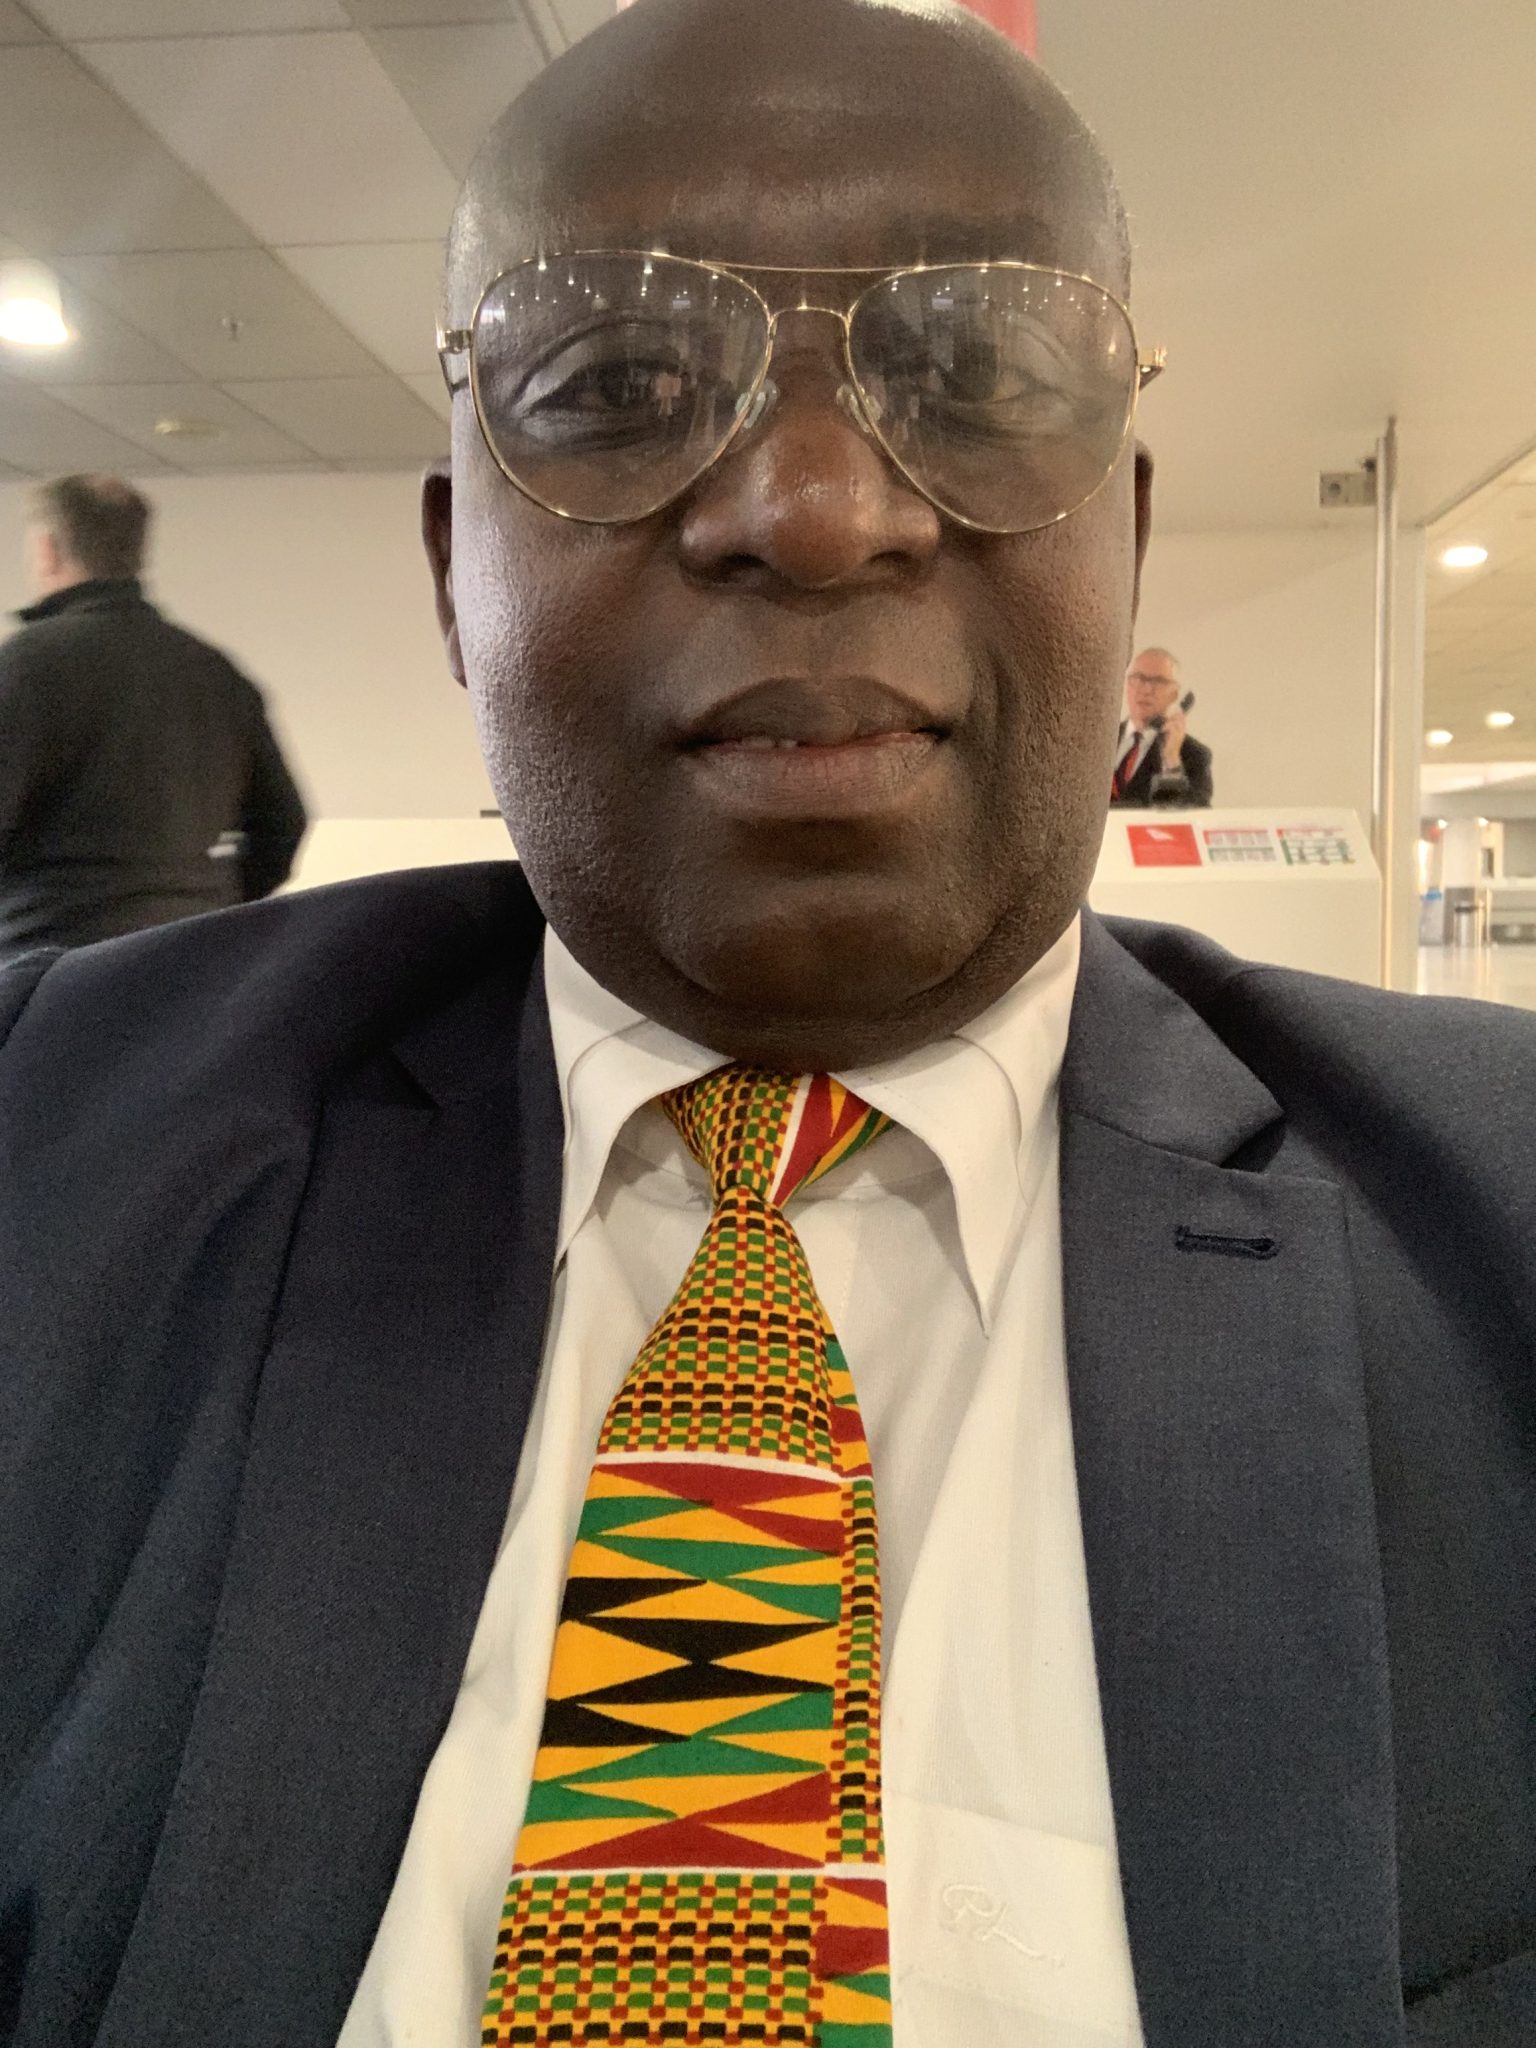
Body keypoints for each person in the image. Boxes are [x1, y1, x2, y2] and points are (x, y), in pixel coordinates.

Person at [0, 5, 1530, 2047]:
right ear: (454, 574)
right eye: (618, 381)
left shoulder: (1504, 1218)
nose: (814, 509)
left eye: (981, 370)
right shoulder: (53, 1133)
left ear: (1131, 536)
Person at [0, 474, 307, 960]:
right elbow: (283, 824)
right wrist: (206, 904)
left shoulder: (21, 665)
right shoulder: (215, 672)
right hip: (184, 957)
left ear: (47, 549)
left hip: (46, 959)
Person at [1109, 646, 1214, 807]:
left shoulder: (1194, 755)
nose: (1146, 690)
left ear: (1175, 695)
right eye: (1138, 678)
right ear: (1127, 685)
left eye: (1158, 681)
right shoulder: (1100, 740)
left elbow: (1195, 811)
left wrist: (1171, 762)